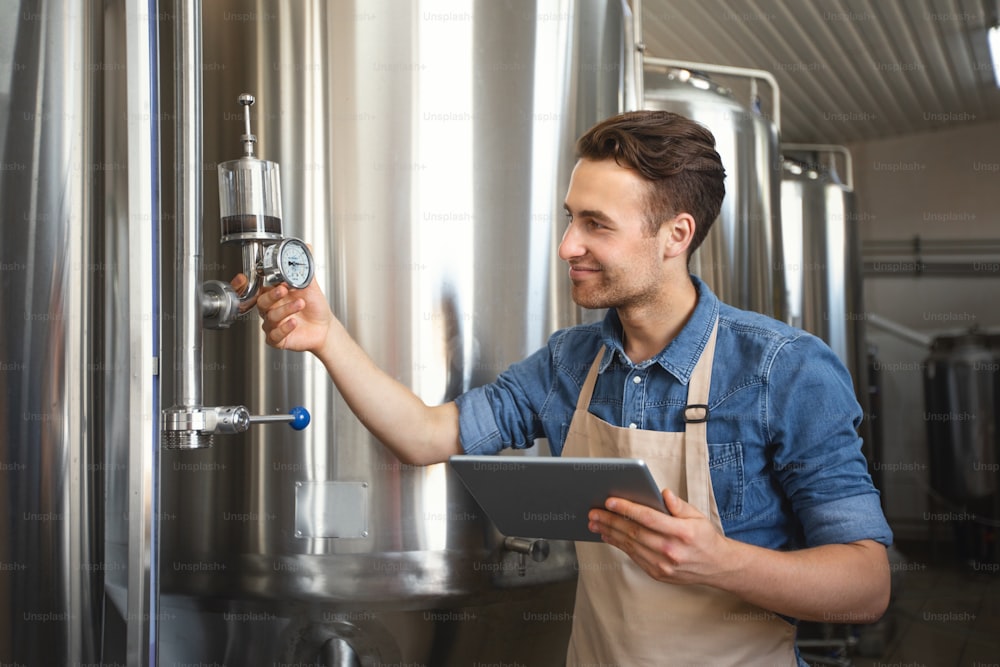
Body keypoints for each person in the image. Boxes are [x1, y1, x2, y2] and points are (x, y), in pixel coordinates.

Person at [244, 110, 893, 666]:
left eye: (595, 224)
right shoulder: (569, 363)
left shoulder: (785, 369)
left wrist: (720, 561)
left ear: (676, 235)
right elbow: (424, 434)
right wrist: (326, 336)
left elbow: (867, 583)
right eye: (568, 218)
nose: (566, 245)